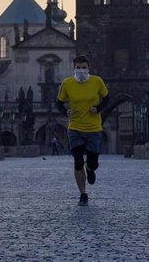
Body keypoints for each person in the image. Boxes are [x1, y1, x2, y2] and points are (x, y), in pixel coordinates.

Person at [56, 55, 110, 206]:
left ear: (88, 68)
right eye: (78, 68)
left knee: (93, 162)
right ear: (74, 68)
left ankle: (90, 168)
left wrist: (98, 108)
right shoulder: (67, 83)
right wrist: (64, 111)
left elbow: (107, 99)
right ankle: (83, 194)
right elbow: (58, 103)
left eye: (84, 67)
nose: (81, 70)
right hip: (75, 128)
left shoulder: (97, 81)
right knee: (77, 161)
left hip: (94, 128)